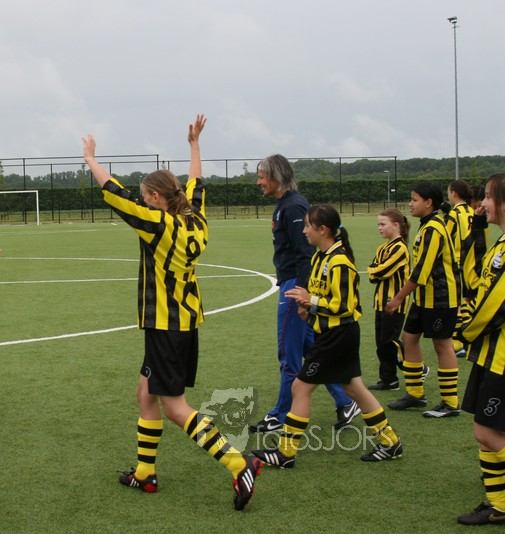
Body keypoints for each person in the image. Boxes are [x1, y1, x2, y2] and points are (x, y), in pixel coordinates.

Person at [81, 114, 262, 511]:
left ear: (156, 198)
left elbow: (115, 194)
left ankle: (239, 463)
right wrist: (194, 145)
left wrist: (91, 159)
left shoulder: (158, 224)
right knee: (145, 392)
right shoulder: (195, 219)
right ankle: (145, 473)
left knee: (176, 407)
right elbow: (195, 183)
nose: (142, 200)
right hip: (185, 320)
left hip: (166, 324)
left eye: (146, 196)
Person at [252, 205, 404, 467]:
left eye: (307, 225)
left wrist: (310, 300)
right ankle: (390, 442)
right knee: (354, 388)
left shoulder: (339, 261)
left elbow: (344, 306)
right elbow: (321, 297)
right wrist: (307, 307)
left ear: (323, 229)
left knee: (300, 388)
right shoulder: (320, 258)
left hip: (338, 335)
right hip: (332, 334)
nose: (304, 230)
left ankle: (285, 453)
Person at [250, 154, 359, 434]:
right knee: (312, 350)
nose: (258, 182)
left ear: (276, 177)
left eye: (261, 176)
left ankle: (282, 414)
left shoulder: (294, 206)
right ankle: (346, 401)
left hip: (295, 288)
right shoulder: (285, 205)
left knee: (289, 354)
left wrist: (302, 295)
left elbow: (306, 254)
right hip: (292, 284)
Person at [386, 181, 461, 418]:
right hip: (423, 298)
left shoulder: (433, 228)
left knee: (442, 345)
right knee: (409, 339)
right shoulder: (427, 225)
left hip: (441, 299)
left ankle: (450, 403)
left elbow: (421, 272)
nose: (410, 204)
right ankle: (415, 394)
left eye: (414, 199)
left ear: (428, 203)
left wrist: (398, 298)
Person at [455, 173, 505, 525]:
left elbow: (495, 305)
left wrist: (464, 334)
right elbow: (475, 282)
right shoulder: (500, 244)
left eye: (487, 196)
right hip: (491, 354)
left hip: (501, 358)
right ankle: (499, 505)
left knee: (486, 431)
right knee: (490, 434)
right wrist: (475, 233)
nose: (482, 203)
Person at [367, 209, 411, 391]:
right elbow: (373, 274)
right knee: (381, 343)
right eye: (378, 224)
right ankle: (389, 379)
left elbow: (381, 271)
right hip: (380, 301)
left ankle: (415, 366)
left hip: (394, 303)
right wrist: (375, 270)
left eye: (383, 224)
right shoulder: (382, 248)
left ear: (396, 225)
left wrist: (375, 270)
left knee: (389, 341)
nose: (380, 228)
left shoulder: (400, 248)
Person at [444, 179, 474, 358]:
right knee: (468, 300)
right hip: (473, 262)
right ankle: (470, 338)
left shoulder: (454, 214)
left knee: (456, 303)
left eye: (448, 192)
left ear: (454, 193)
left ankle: (457, 342)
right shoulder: (471, 211)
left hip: (457, 262)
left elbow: (444, 236)